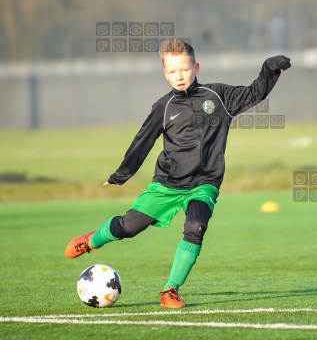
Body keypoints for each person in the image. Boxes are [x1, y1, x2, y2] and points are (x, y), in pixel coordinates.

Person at [65, 39, 291, 308]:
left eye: (184, 69)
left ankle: (170, 290)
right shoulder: (163, 106)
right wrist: (122, 174)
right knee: (128, 227)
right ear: (165, 73)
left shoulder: (217, 96)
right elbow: (143, 139)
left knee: (196, 226)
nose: (179, 76)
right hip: (167, 184)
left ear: (196, 67)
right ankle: (93, 240)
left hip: (205, 183)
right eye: (172, 72)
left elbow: (255, 93)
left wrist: (270, 68)